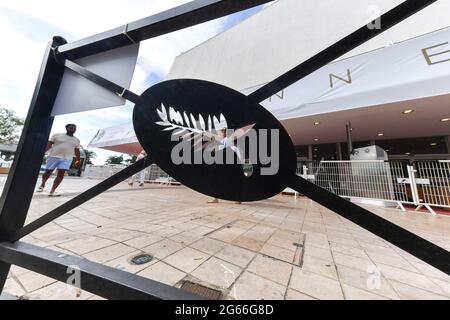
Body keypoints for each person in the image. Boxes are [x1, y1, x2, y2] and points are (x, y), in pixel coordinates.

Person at [37, 124, 81, 196]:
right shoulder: (57, 135)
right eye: (71, 127)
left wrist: (78, 160)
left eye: (74, 128)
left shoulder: (77, 140)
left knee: (61, 174)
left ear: (75, 130)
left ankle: (52, 190)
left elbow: (77, 151)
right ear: (66, 128)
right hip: (53, 156)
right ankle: (42, 184)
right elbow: (49, 145)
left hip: (67, 158)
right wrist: (43, 152)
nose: (72, 128)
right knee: (48, 172)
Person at [207, 128, 241, 204]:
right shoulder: (224, 141)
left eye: (223, 131)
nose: (222, 132)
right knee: (228, 180)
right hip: (225, 162)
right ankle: (236, 198)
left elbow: (227, 152)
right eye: (222, 131)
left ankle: (217, 198)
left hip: (226, 163)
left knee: (217, 179)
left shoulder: (227, 140)